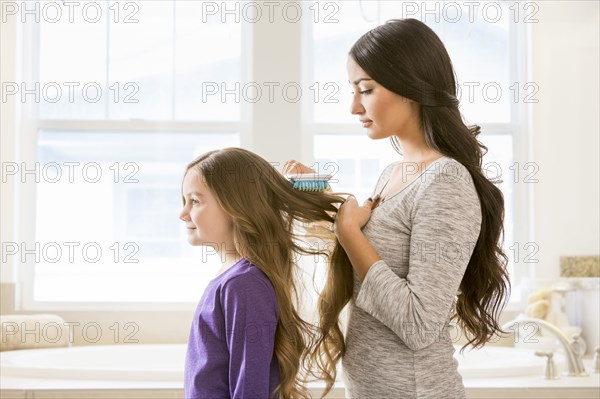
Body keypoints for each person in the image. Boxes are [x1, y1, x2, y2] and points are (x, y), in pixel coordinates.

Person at [288, 19, 510, 399]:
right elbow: (376, 259)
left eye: (367, 90)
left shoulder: (447, 182)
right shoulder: (395, 173)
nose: (354, 106)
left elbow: (417, 324)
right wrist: (318, 195)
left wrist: (350, 233)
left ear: (411, 87)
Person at [179, 147, 344, 399]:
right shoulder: (232, 277)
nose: (183, 214)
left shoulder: (244, 284)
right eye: (184, 201)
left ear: (236, 205)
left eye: (195, 201)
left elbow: (250, 388)